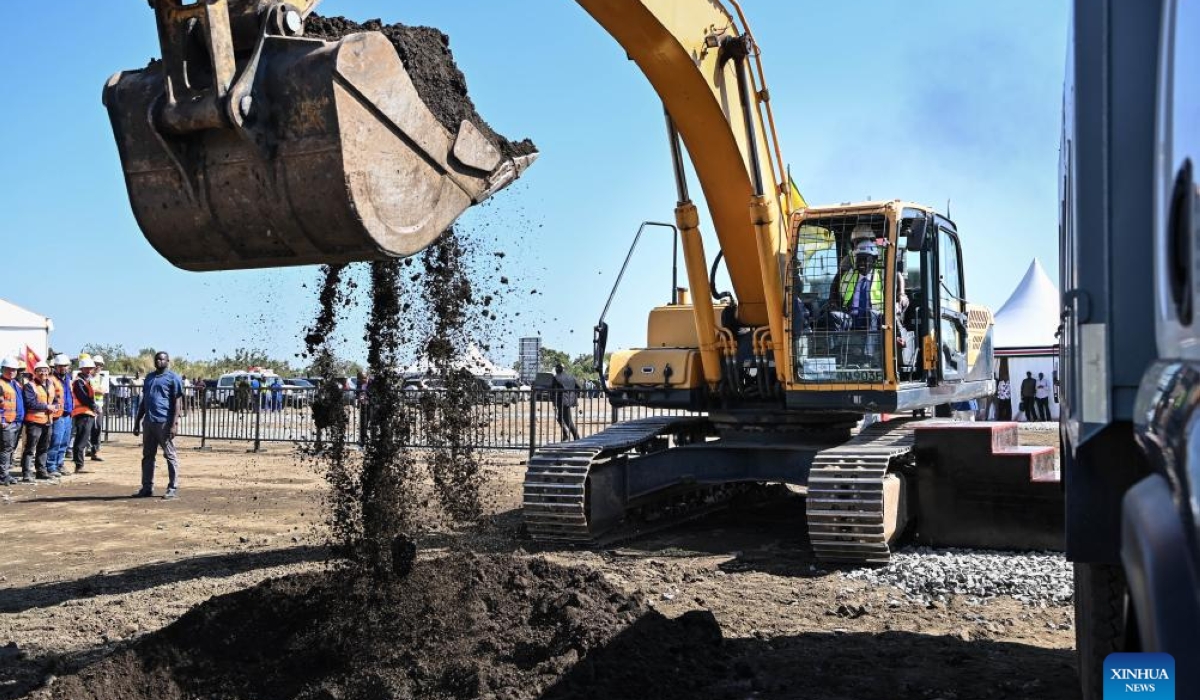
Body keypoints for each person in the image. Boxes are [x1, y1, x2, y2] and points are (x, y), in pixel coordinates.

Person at [132, 351, 184, 500]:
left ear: (168, 361)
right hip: (148, 422)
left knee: (170, 455)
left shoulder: (173, 378)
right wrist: (137, 421)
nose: (159, 361)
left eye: (162, 359)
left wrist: (174, 424)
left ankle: (172, 488)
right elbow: (144, 401)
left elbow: (177, 402)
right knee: (147, 456)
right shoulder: (149, 377)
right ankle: (147, 487)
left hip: (164, 423)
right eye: (157, 359)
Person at [20, 361, 59, 482]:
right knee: (30, 448)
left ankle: (41, 471)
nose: (43, 373)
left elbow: (55, 399)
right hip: (34, 422)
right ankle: (27, 473)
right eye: (40, 370)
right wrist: (47, 407)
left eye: (45, 370)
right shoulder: (29, 386)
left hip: (48, 421)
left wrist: (55, 405)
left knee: (43, 448)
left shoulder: (51, 384)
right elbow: (29, 402)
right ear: (35, 372)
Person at [45, 354, 74, 477]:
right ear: (55, 367)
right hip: (57, 415)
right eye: (61, 366)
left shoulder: (68, 378)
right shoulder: (51, 380)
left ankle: (60, 464)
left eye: (65, 366)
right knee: (56, 441)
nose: (63, 368)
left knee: (64, 442)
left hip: (67, 414)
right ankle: (51, 466)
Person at [71, 358, 99, 473]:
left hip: (87, 413)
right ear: (81, 368)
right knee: (81, 440)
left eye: (90, 368)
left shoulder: (86, 381)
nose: (89, 370)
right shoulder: (79, 382)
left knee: (81, 439)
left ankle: (79, 464)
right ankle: (79, 465)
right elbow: (83, 398)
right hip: (83, 413)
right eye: (86, 368)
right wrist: (94, 406)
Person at [0, 357, 25, 485]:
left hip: (17, 421)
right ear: (2, 369)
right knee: (5, 449)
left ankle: (5, 474)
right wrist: (2, 419)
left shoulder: (15, 384)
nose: (11, 371)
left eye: (14, 370)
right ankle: (3, 476)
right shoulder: (1, 384)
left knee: (10, 449)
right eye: (8, 369)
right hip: (6, 422)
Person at [87, 354, 109, 462]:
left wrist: (94, 389)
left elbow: (103, 391)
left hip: (98, 407)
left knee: (97, 429)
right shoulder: (86, 377)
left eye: (100, 365)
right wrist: (96, 389)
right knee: (85, 430)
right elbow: (89, 391)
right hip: (87, 407)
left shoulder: (102, 378)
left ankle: (95, 451)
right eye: (96, 364)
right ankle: (85, 451)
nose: (97, 367)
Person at [551, 363, 580, 441]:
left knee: (568, 420)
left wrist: (554, 402)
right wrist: (571, 396)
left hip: (561, 401)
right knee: (560, 418)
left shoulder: (556, 378)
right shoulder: (571, 377)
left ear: (557, 369)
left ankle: (576, 436)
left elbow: (552, 390)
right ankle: (565, 434)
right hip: (568, 401)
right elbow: (578, 387)